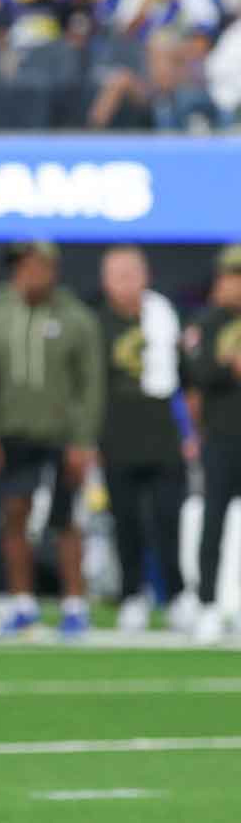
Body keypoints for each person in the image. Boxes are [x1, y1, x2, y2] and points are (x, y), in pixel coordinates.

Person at [0, 240, 104, 639]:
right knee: (13, 515)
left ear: (52, 268)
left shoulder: (76, 318)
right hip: (12, 432)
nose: (29, 273)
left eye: (36, 265)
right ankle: (22, 603)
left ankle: (75, 605)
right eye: (22, 266)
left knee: (67, 520)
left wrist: (83, 440)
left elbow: (90, 385)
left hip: (62, 435)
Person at [96, 246, 195, 633]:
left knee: (168, 519)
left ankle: (175, 595)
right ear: (106, 281)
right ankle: (132, 595)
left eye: (131, 274)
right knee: (126, 522)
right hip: (116, 436)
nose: (125, 283)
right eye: (118, 275)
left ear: (146, 276)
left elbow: (187, 383)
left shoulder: (163, 317)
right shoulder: (98, 323)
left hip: (164, 436)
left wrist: (190, 432)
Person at [184, 244, 241, 645]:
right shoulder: (206, 322)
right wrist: (229, 365)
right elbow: (197, 373)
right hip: (221, 435)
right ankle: (207, 604)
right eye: (231, 276)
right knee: (213, 520)